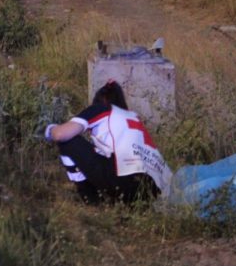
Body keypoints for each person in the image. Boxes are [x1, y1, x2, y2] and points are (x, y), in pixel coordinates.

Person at [44, 80, 172, 204]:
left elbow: (61, 135)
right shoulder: (134, 117)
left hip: (123, 182)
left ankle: (90, 199)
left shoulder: (101, 108)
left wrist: (51, 130)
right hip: (153, 189)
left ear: (100, 101)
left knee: (68, 141)